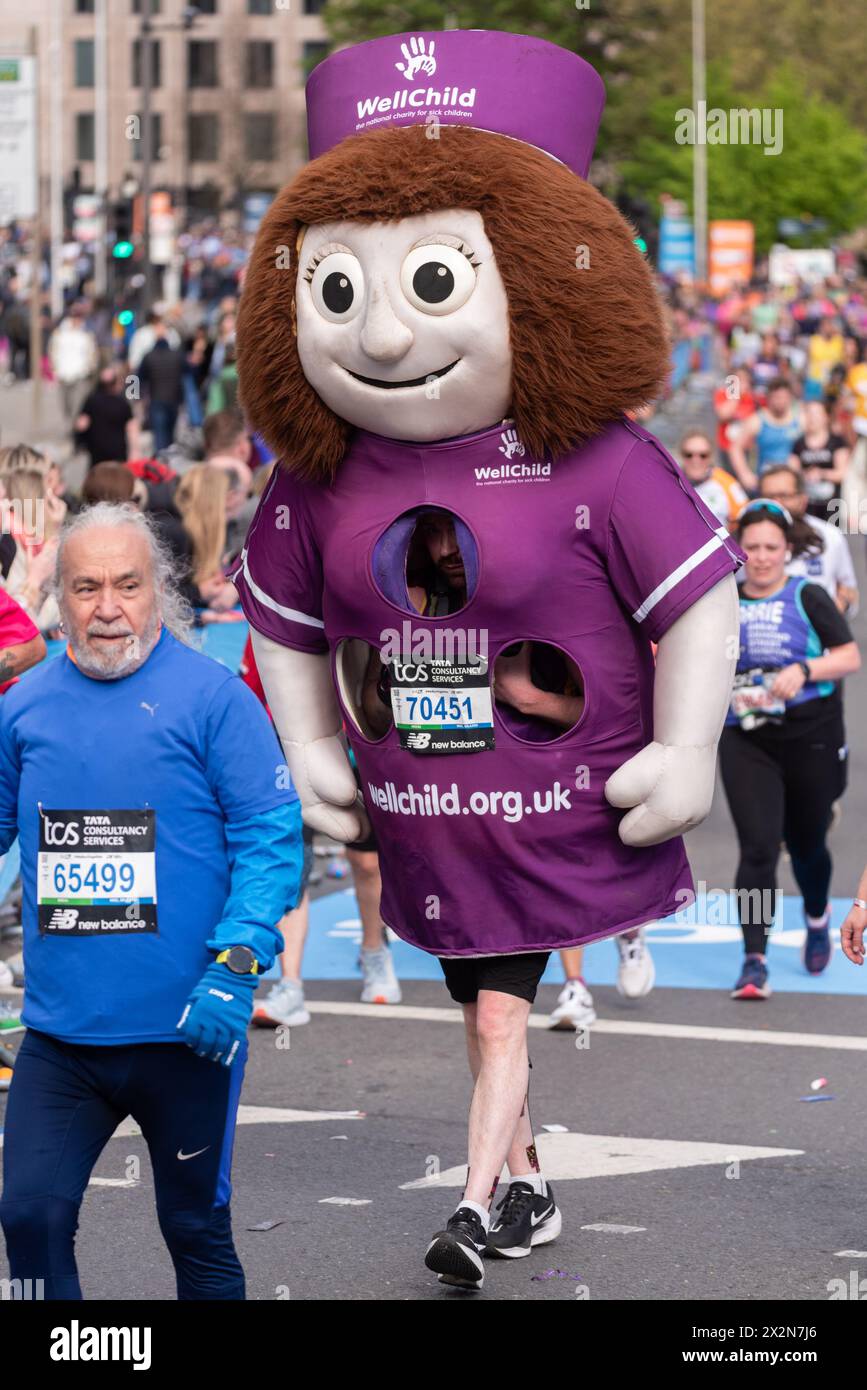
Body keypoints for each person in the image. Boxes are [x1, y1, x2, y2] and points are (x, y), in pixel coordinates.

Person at [0, 503, 303, 1300]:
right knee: (27, 1218)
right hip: (61, 1040)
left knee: (195, 1230)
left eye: (127, 585)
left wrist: (238, 962)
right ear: (58, 600)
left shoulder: (212, 699)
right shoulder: (21, 708)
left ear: (158, 590)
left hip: (186, 1035)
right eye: (86, 587)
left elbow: (270, 840)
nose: (107, 608)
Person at [719, 500, 860, 1000]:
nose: (760, 558)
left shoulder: (808, 595)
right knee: (757, 847)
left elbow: (848, 656)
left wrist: (803, 670)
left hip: (810, 735)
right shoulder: (723, 600)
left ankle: (818, 917)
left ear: (787, 550)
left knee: (806, 846)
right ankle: (753, 959)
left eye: (770, 548)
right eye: (751, 547)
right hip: (746, 736)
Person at [759, 467, 858, 614]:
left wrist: (836, 611)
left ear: (803, 499)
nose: (776, 504)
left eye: (784, 495)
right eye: (769, 497)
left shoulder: (830, 536)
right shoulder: (747, 541)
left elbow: (849, 590)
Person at [729, 379, 804, 492]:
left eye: (784, 397)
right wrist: (744, 474)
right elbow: (735, 448)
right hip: (765, 482)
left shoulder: (800, 419)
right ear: (769, 398)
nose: (780, 401)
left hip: (792, 483)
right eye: (777, 397)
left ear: (790, 398)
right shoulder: (757, 420)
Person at [788, 399, 849, 521]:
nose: (812, 418)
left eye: (816, 414)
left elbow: (843, 473)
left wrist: (821, 474)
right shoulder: (798, 444)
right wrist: (805, 475)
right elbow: (792, 473)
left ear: (826, 417)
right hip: (807, 506)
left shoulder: (837, 442)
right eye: (808, 413)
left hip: (832, 507)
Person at [679, 430, 746, 532]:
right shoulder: (671, 482)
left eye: (703, 455)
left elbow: (745, 516)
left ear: (711, 457)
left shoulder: (726, 482)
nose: (696, 460)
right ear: (681, 456)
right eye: (689, 454)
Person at [75, 364, 139, 467]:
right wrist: (135, 451)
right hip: (118, 454)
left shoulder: (92, 400)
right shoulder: (122, 403)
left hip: (97, 454)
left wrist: (79, 442)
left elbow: (81, 424)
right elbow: (132, 428)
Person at [47, 303, 98, 422]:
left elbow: (92, 353)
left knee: (78, 404)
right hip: (63, 373)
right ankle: (70, 425)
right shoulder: (59, 334)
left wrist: (90, 368)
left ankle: (75, 431)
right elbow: (53, 351)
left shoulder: (86, 335)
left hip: (80, 374)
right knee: (66, 404)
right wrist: (54, 367)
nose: (77, 320)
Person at [139, 334, 187, 454]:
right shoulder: (177, 355)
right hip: (174, 400)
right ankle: (170, 460)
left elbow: (136, 377)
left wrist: (135, 397)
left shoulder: (148, 356)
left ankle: (160, 461)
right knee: (171, 434)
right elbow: (188, 372)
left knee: (160, 435)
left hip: (157, 400)